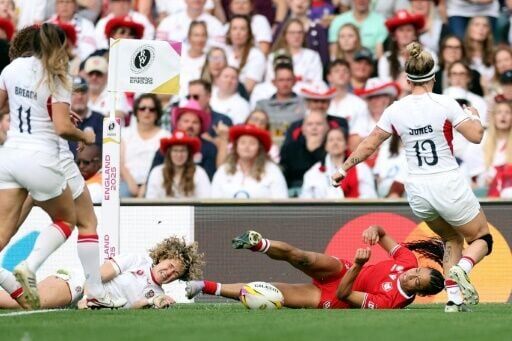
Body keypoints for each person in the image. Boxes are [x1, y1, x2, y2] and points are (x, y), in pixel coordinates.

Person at [332, 42, 493, 312]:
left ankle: (453, 300)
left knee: (451, 239)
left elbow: (370, 144)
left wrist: (343, 169)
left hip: (417, 191)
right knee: (482, 240)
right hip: (446, 182)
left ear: (407, 80)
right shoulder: (445, 103)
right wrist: (473, 116)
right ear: (433, 76)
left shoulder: (395, 109)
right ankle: (462, 269)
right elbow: (476, 137)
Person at [0, 23, 96, 309]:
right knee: (70, 219)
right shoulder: (58, 77)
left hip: (10, 157)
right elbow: (61, 127)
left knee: (3, 232)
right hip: (41, 159)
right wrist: (85, 135)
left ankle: (8, 280)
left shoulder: (11, 69)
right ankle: (28, 267)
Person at [186, 225, 445, 310]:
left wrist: (358, 265)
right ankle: (257, 243)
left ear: (419, 294)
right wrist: (373, 230)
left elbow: (344, 294)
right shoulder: (407, 261)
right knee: (301, 257)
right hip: (341, 271)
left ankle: (203, 286)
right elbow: (381, 231)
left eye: (416, 282)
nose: (411, 275)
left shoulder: (391, 302)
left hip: (333, 297)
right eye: (417, 272)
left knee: (269, 292)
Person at [0, 237, 205, 310]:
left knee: (16, 303)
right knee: (26, 303)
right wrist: (88, 298)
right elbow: (97, 274)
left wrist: (156, 302)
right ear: (162, 257)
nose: (169, 272)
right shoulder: (137, 260)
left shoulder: (155, 292)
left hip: (82, 299)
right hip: (77, 283)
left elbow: (130, 308)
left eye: (175, 273)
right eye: (170, 265)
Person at [211, 124, 288, 199]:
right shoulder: (223, 170)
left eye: (252, 143)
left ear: (259, 148)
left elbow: (281, 202)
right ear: (235, 146)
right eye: (242, 142)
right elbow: (212, 202)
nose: (246, 147)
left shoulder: (272, 170)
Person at [301, 128, 377, 199]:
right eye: (331, 140)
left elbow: (370, 196)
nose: (335, 143)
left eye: (339, 139)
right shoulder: (313, 172)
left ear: (346, 145)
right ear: (325, 146)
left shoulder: (361, 168)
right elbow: (306, 200)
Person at [120, 94, 169, 198]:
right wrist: (131, 184)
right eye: (142, 108)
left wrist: (147, 185)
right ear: (136, 112)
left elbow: (165, 165)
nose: (147, 112)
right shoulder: (124, 133)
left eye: (152, 109)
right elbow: (119, 163)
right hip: (127, 182)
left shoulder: (166, 136)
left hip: (156, 183)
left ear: (157, 113)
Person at [145, 131, 211, 199]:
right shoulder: (157, 172)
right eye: (175, 150)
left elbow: (205, 201)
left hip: (190, 209)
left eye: (183, 151)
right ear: (169, 153)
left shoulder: (199, 173)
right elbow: (151, 201)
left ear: (189, 153)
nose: (179, 155)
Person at [266, 18, 323, 85]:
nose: (296, 36)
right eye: (292, 33)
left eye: (300, 32)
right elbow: (270, 82)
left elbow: (316, 82)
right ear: (285, 35)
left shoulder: (313, 56)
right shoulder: (273, 56)